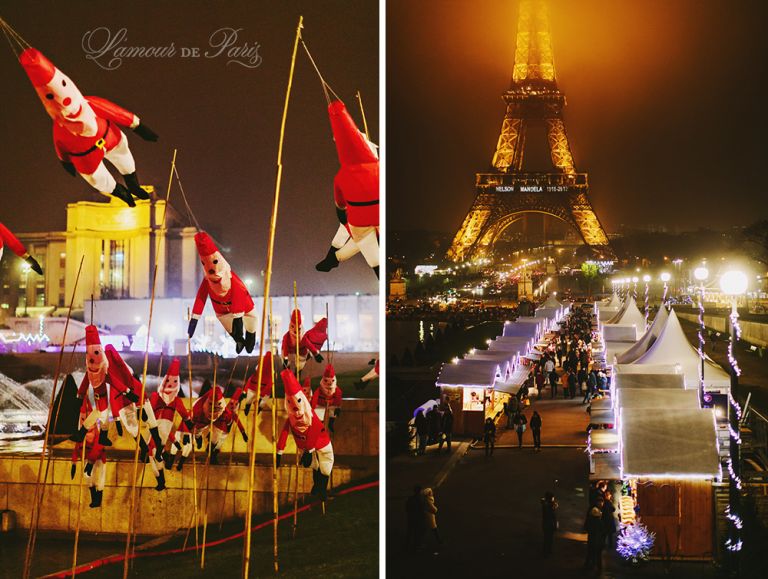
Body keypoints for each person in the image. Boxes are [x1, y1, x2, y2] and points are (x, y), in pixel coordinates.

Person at [584, 502, 606, 571]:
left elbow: (586, 529)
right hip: (599, 542)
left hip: (591, 541)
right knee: (598, 556)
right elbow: (603, 532)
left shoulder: (590, 521)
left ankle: (590, 567)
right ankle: (599, 569)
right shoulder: (600, 523)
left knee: (590, 554)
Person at [405, 485, 425, 551]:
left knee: (410, 532)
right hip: (417, 518)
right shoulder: (420, 500)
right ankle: (416, 546)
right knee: (417, 532)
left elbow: (407, 508)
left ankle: (407, 545)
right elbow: (422, 510)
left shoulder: (410, 498)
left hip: (411, 518)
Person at [541, 491, 558, 557]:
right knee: (548, 538)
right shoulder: (547, 506)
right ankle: (546, 551)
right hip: (548, 524)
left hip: (547, 524)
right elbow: (551, 514)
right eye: (552, 498)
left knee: (547, 538)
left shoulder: (547, 504)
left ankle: (547, 550)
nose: (553, 499)